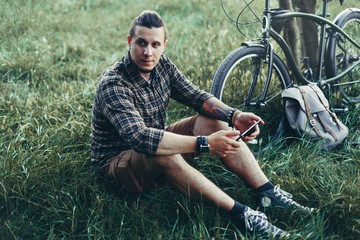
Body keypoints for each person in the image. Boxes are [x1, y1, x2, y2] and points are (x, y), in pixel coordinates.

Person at [91, 10, 314, 239]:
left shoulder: (162, 66)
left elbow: (196, 97)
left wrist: (234, 116)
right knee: (162, 152)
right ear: (130, 42)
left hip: (153, 143)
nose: (148, 52)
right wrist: (205, 144)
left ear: (164, 45)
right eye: (141, 43)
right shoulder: (114, 83)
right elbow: (141, 138)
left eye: (155, 44)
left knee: (212, 120)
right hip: (119, 165)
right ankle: (244, 215)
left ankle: (268, 195)